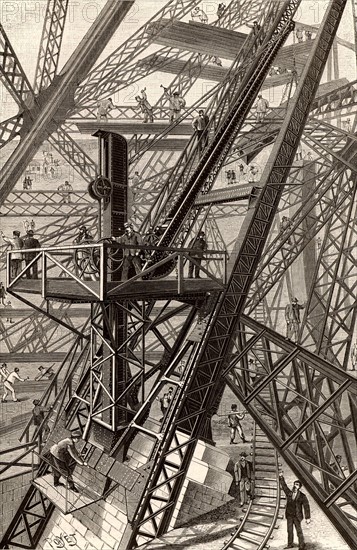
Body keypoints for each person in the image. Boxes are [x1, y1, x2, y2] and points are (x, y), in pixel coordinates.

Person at [279, 473, 311, 550]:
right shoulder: (289, 493)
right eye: (294, 484)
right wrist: (281, 477)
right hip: (289, 516)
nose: (295, 486)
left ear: (299, 487)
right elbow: (284, 487)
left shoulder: (302, 496)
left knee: (299, 531)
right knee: (289, 531)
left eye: (296, 485)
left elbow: (306, 507)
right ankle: (290, 544)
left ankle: (301, 546)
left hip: (297, 516)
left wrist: (308, 517)